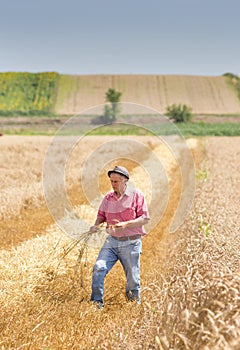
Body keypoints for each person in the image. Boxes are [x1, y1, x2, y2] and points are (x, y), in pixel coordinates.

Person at [90, 165, 150, 309]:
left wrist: (126, 224)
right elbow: (101, 216)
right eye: (111, 181)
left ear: (125, 181)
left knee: (132, 280)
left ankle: (133, 306)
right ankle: (96, 303)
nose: (113, 184)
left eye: (116, 182)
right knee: (98, 267)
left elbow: (145, 218)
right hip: (111, 242)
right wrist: (96, 225)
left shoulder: (137, 196)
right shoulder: (108, 198)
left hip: (131, 243)